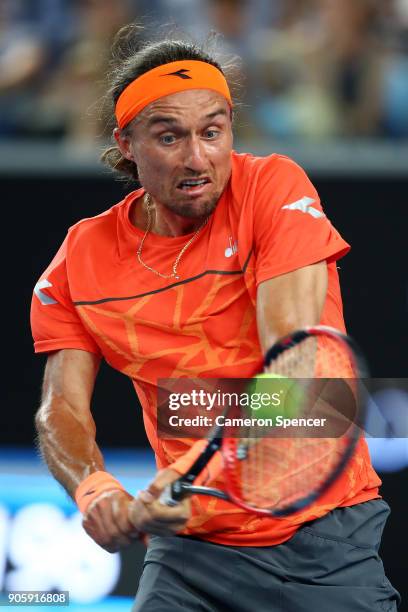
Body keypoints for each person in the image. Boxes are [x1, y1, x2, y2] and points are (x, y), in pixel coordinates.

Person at [31, 23, 400, 612]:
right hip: (191, 554)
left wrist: (194, 472)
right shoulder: (80, 258)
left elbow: (297, 370)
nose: (197, 156)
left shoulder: (273, 187)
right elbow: (62, 409)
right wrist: (94, 491)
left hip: (323, 540)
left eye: (212, 131)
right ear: (126, 143)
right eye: (169, 136)